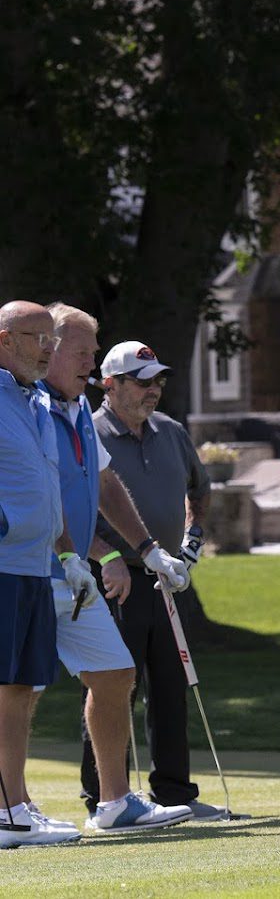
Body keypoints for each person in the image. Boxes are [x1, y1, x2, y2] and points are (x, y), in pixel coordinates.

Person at [38, 304, 193, 833]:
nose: (89, 361)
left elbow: (104, 485)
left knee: (115, 674)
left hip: (74, 575)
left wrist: (148, 550)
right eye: (81, 352)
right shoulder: (29, 406)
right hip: (32, 567)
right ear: (49, 348)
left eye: (92, 351)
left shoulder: (78, 409)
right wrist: (95, 554)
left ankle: (115, 803)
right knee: (19, 688)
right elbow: (41, 495)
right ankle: (12, 810)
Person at [85, 340, 220, 819]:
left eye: (158, 380)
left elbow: (199, 492)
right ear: (110, 384)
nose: (154, 389)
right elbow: (73, 506)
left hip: (167, 577)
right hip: (113, 577)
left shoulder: (171, 432)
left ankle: (174, 794)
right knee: (112, 687)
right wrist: (106, 556)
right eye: (142, 381)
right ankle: (104, 797)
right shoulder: (88, 431)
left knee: (170, 686)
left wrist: (191, 543)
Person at [0, 301, 79, 847]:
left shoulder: (37, 399)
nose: (49, 349)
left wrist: (67, 554)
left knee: (21, 687)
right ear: (4, 339)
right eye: (38, 338)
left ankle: (16, 804)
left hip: (33, 564)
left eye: (53, 339)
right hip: (4, 563)